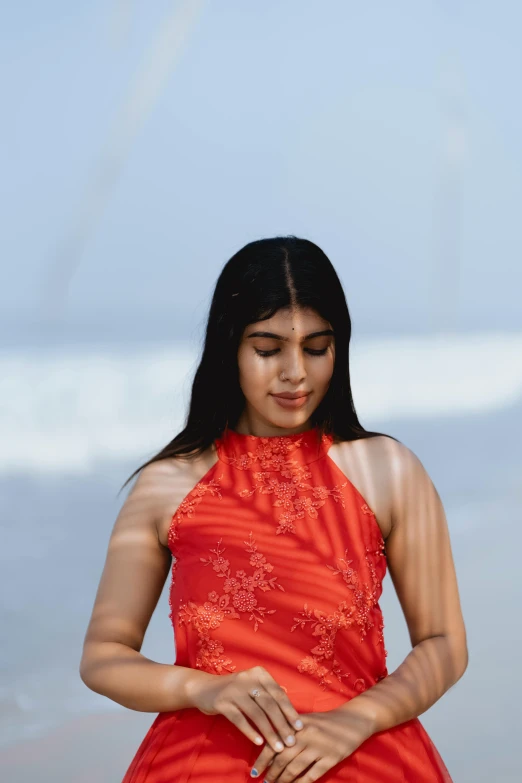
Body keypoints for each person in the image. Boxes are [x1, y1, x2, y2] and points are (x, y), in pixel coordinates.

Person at [79, 236, 468, 782]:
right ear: (228, 349)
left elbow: (444, 644)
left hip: (362, 751)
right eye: (267, 350)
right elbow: (102, 656)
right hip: (201, 759)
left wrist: (357, 719)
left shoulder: (389, 470)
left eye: (316, 348)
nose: (295, 374)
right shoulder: (167, 483)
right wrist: (203, 687)